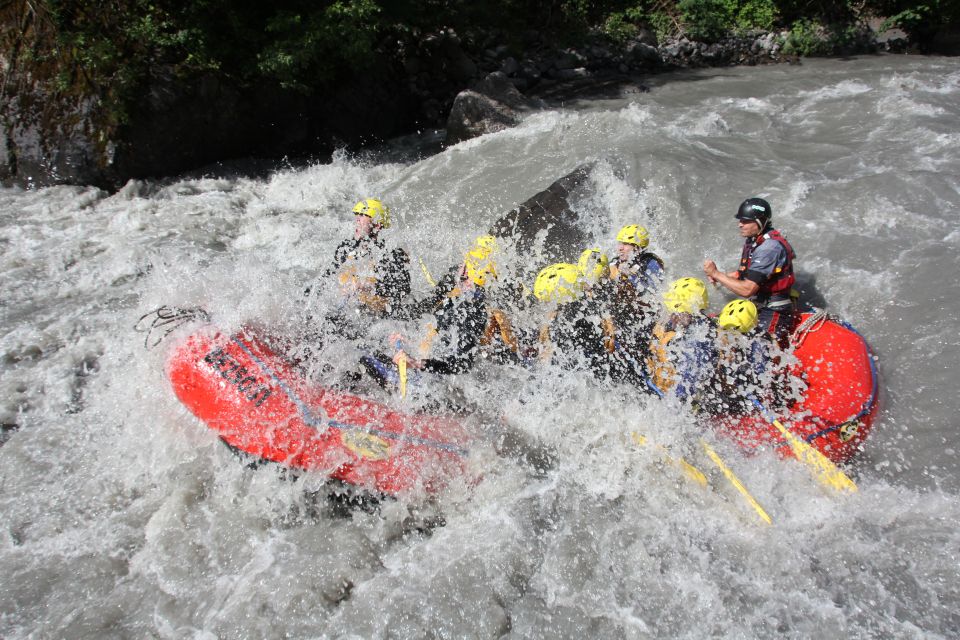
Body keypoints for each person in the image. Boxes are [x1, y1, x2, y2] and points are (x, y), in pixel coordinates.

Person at [363, 235, 500, 386]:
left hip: (439, 385)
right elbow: (437, 339)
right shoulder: (459, 299)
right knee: (367, 347)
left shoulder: (472, 311)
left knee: (362, 354)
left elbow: (462, 365)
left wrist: (415, 363)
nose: (459, 267)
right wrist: (408, 341)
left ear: (468, 273)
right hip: (432, 373)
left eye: (464, 264)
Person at [703, 198, 797, 348]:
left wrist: (716, 274)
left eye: (746, 221)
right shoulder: (754, 240)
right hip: (758, 305)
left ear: (760, 221)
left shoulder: (769, 248)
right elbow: (745, 274)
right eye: (741, 220)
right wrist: (723, 276)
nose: (740, 224)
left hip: (774, 310)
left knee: (761, 349)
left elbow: (747, 289)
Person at [324, 198, 411, 320]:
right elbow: (326, 279)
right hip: (344, 310)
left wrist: (368, 286)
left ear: (378, 224)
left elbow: (402, 289)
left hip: (374, 317)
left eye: (364, 215)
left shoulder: (390, 254)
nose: (357, 219)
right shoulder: (345, 248)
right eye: (357, 214)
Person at [532, 261, 616, 380]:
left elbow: (548, 355)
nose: (546, 302)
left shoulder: (572, 321)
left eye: (549, 298)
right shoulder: (585, 305)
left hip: (581, 373)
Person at [644, 277, 717, 401]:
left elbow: (684, 389)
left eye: (675, 312)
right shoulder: (675, 323)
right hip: (656, 384)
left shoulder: (699, 339)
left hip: (684, 400)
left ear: (690, 313)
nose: (671, 316)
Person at [609, 224, 666, 357]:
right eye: (620, 243)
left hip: (642, 321)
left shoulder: (651, 264)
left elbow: (652, 296)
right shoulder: (614, 263)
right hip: (620, 318)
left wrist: (630, 279)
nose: (620, 248)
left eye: (626, 244)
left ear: (638, 247)